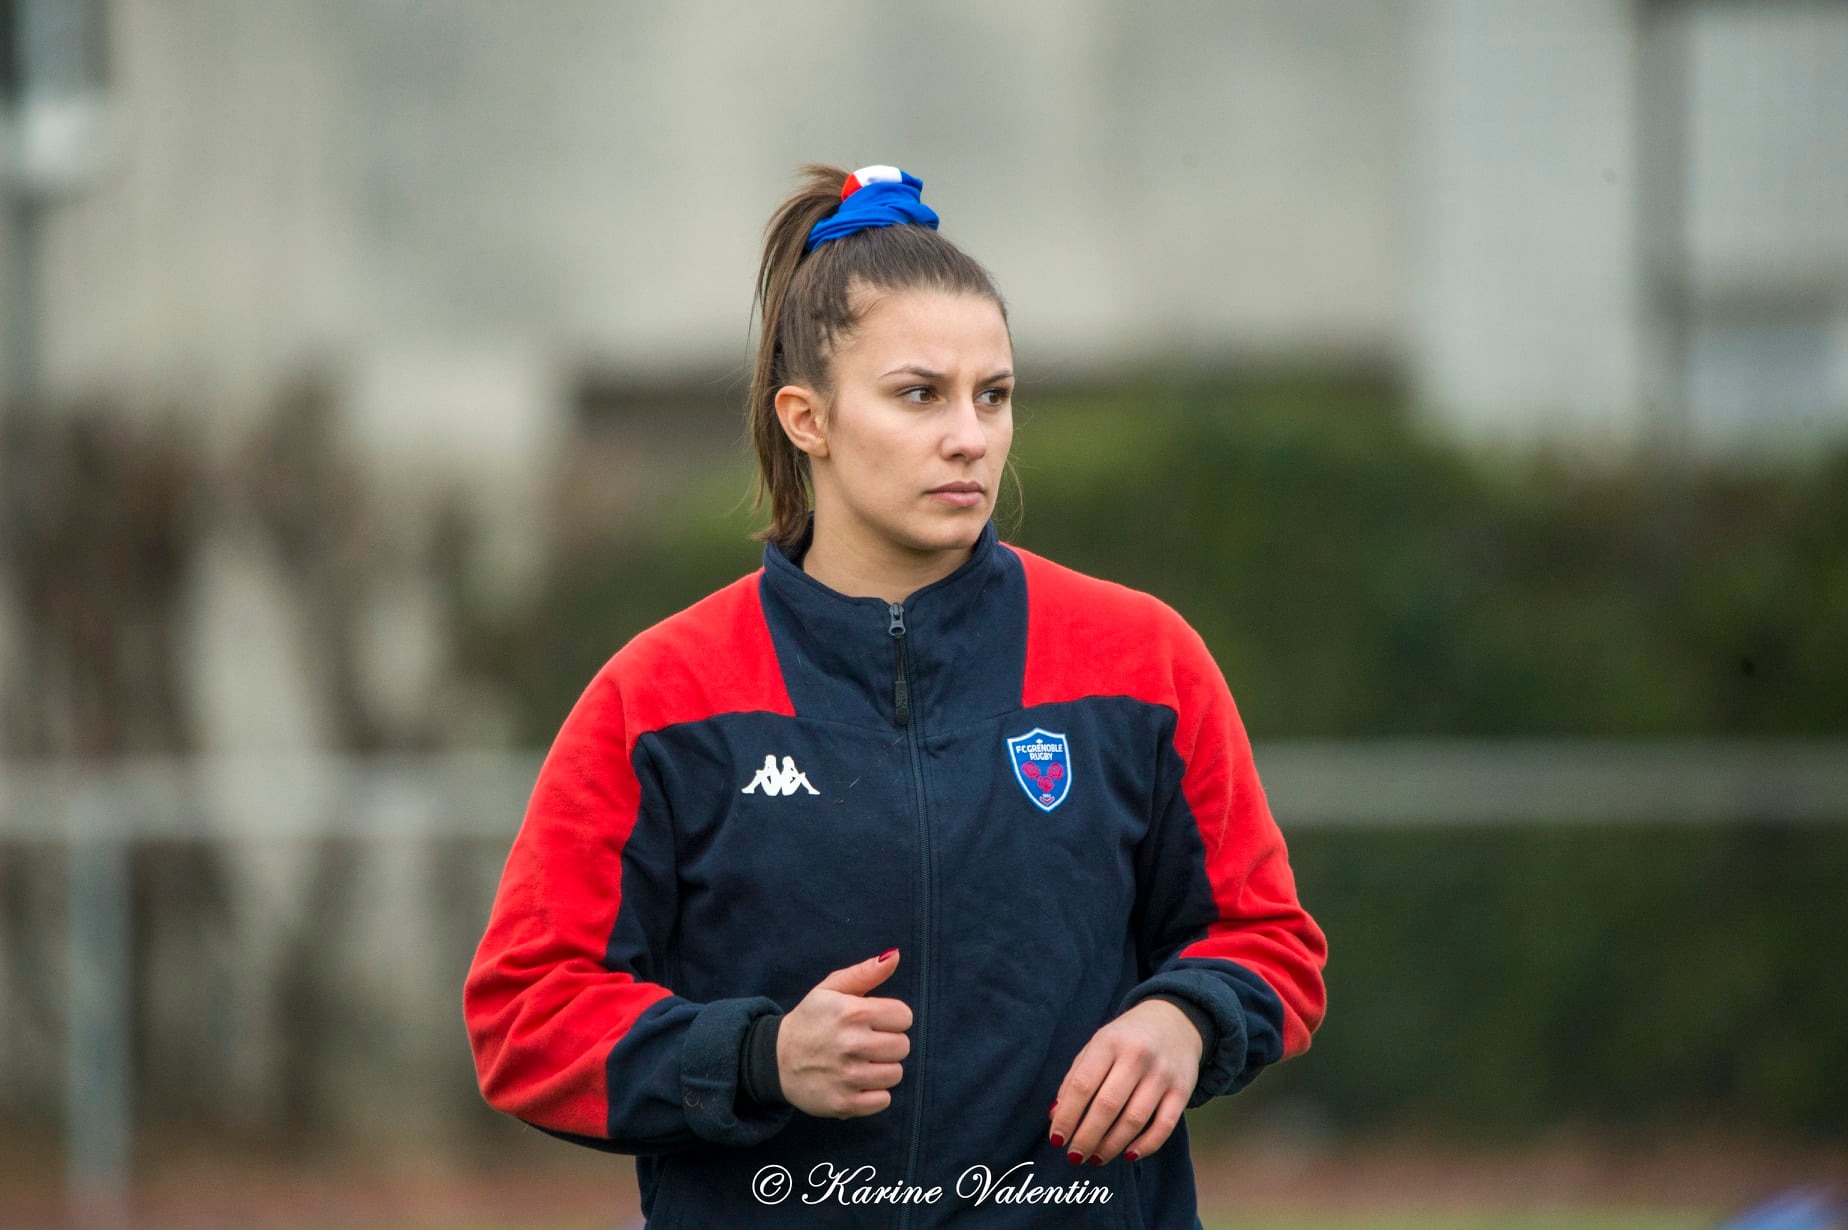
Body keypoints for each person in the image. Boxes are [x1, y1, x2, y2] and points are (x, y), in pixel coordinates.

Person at [463, 163, 1328, 1229]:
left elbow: (1267, 939)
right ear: (806, 418)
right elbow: (525, 1016)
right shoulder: (663, 694)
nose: (970, 434)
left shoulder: (1142, 660)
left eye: (993, 396)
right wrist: (759, 1056)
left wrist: (1184, 1021)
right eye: (920, 394)